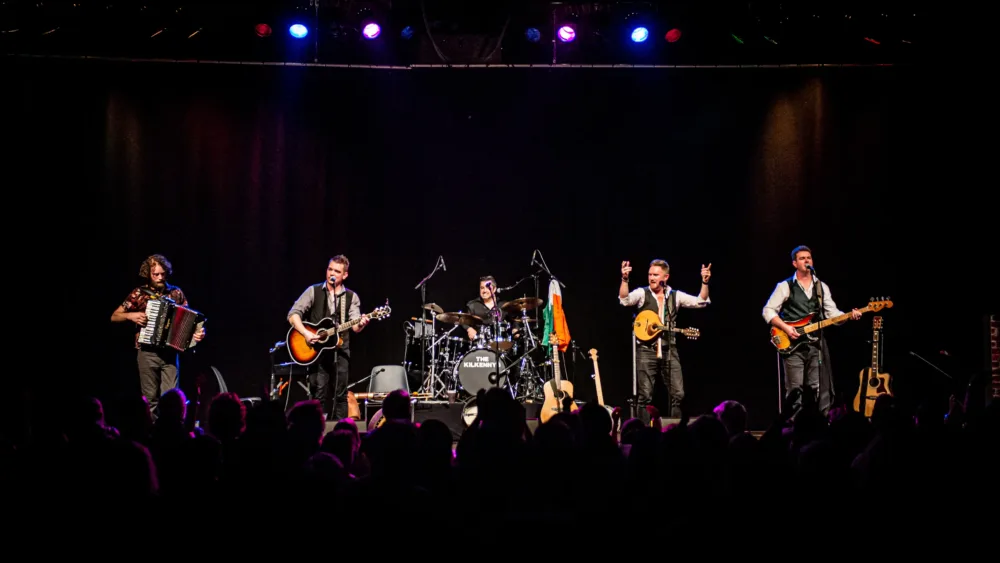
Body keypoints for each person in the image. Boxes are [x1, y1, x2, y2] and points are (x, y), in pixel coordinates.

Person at [762, 245, 861, 417]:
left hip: (815, 345)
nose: (806, 260)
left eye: (809, 257)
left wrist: (848, 316)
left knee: (816, 387)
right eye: (802, 258)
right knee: (795, 390)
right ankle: (792, 428)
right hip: (792, 346)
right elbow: (768, 310)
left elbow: (832, 314)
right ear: (794, 263)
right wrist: (786, 327)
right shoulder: (785, 286)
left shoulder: (821, 287)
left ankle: (815, 427)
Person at [111, 254, 205, 420]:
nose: (160, 278)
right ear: (148, 274)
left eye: (163, 274)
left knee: (172, 399)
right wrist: (131, 316)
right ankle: (153, 435)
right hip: (147, 353)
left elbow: (189, 321)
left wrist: (197, 334)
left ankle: (172, 432)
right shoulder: (139, 293)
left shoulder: (176, 293)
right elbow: (115, 316)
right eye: (156, 275)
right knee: (150, 400)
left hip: (170, 354)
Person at [620, 259, 711, 423]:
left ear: (666, 277)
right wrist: (625, 279)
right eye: (649, 274)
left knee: (678, 394)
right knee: (645, 396)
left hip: (669, 349)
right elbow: (625, 299)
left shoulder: (675, 296)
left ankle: (676, 431)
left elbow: (700, 301)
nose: (651, 278)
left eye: (655, 275)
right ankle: (644, 433)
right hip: (646, 350)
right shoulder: (642, 293)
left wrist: (704, 282)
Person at [288, 255, 370, 420]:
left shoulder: (351, 297)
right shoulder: (314, 291)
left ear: (344, 275)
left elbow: (355, 327)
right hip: (316, 351)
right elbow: (293, 314)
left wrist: (362, 322)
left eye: (337, 271)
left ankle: (341, 431)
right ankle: (313, 429)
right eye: (330, 269)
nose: (332, 273)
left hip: (341, 350)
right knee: (317, 393)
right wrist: (306, 332)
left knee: (341, 394)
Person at [464, 276, 505, 342]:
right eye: (482, 288)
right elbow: (463, 320)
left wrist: (515, 328)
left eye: (487, 287)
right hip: (479, 344)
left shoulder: (503, 305)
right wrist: (469, 329)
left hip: (500, 342)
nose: (484, 290)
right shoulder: (472, 305)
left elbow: (514, 320)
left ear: (494, 289)